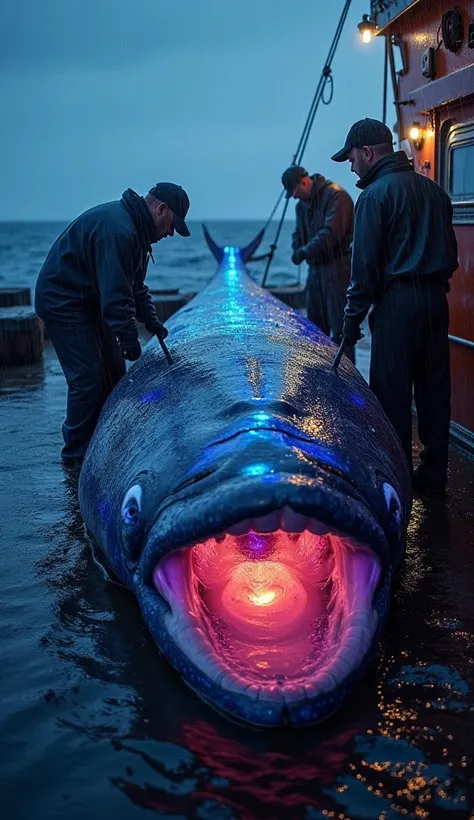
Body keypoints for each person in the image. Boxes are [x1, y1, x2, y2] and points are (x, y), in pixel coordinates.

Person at [332, 118, 458, 496]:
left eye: (352, 158)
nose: (352, 166)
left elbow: (364, 270)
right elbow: (450, 255)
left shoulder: (372, 197)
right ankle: (434, 479)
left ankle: (398, 484)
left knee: (392, 398)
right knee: (435, 393)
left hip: (397, 305)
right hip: (436, 302)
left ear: (368, 153)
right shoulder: (436, 193)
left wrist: (350, 323)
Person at [35, 182, 191, 466]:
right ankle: (76, 459)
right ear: (161, 209)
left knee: (115, 374)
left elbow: (135, 286)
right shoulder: (120, 231)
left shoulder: (138, 233)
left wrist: (151, 320)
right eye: (172, 225)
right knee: (88, 378)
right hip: (63, 300)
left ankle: (104, 445)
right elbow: (115, 298)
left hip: (88, 300)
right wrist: (129, 339)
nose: (170, 233)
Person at [281, 165, 355, 363]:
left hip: (338, 270)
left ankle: (347, 381)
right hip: (315, 271)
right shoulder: (301, 207)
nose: (294, 197)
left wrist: (304, 251)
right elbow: (299, 232)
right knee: (313, 329)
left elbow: (331, 234)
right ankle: (319, 371)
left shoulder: (336, 196)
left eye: (295, 192)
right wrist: (296, 244)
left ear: (304, 182)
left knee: (341, 330)